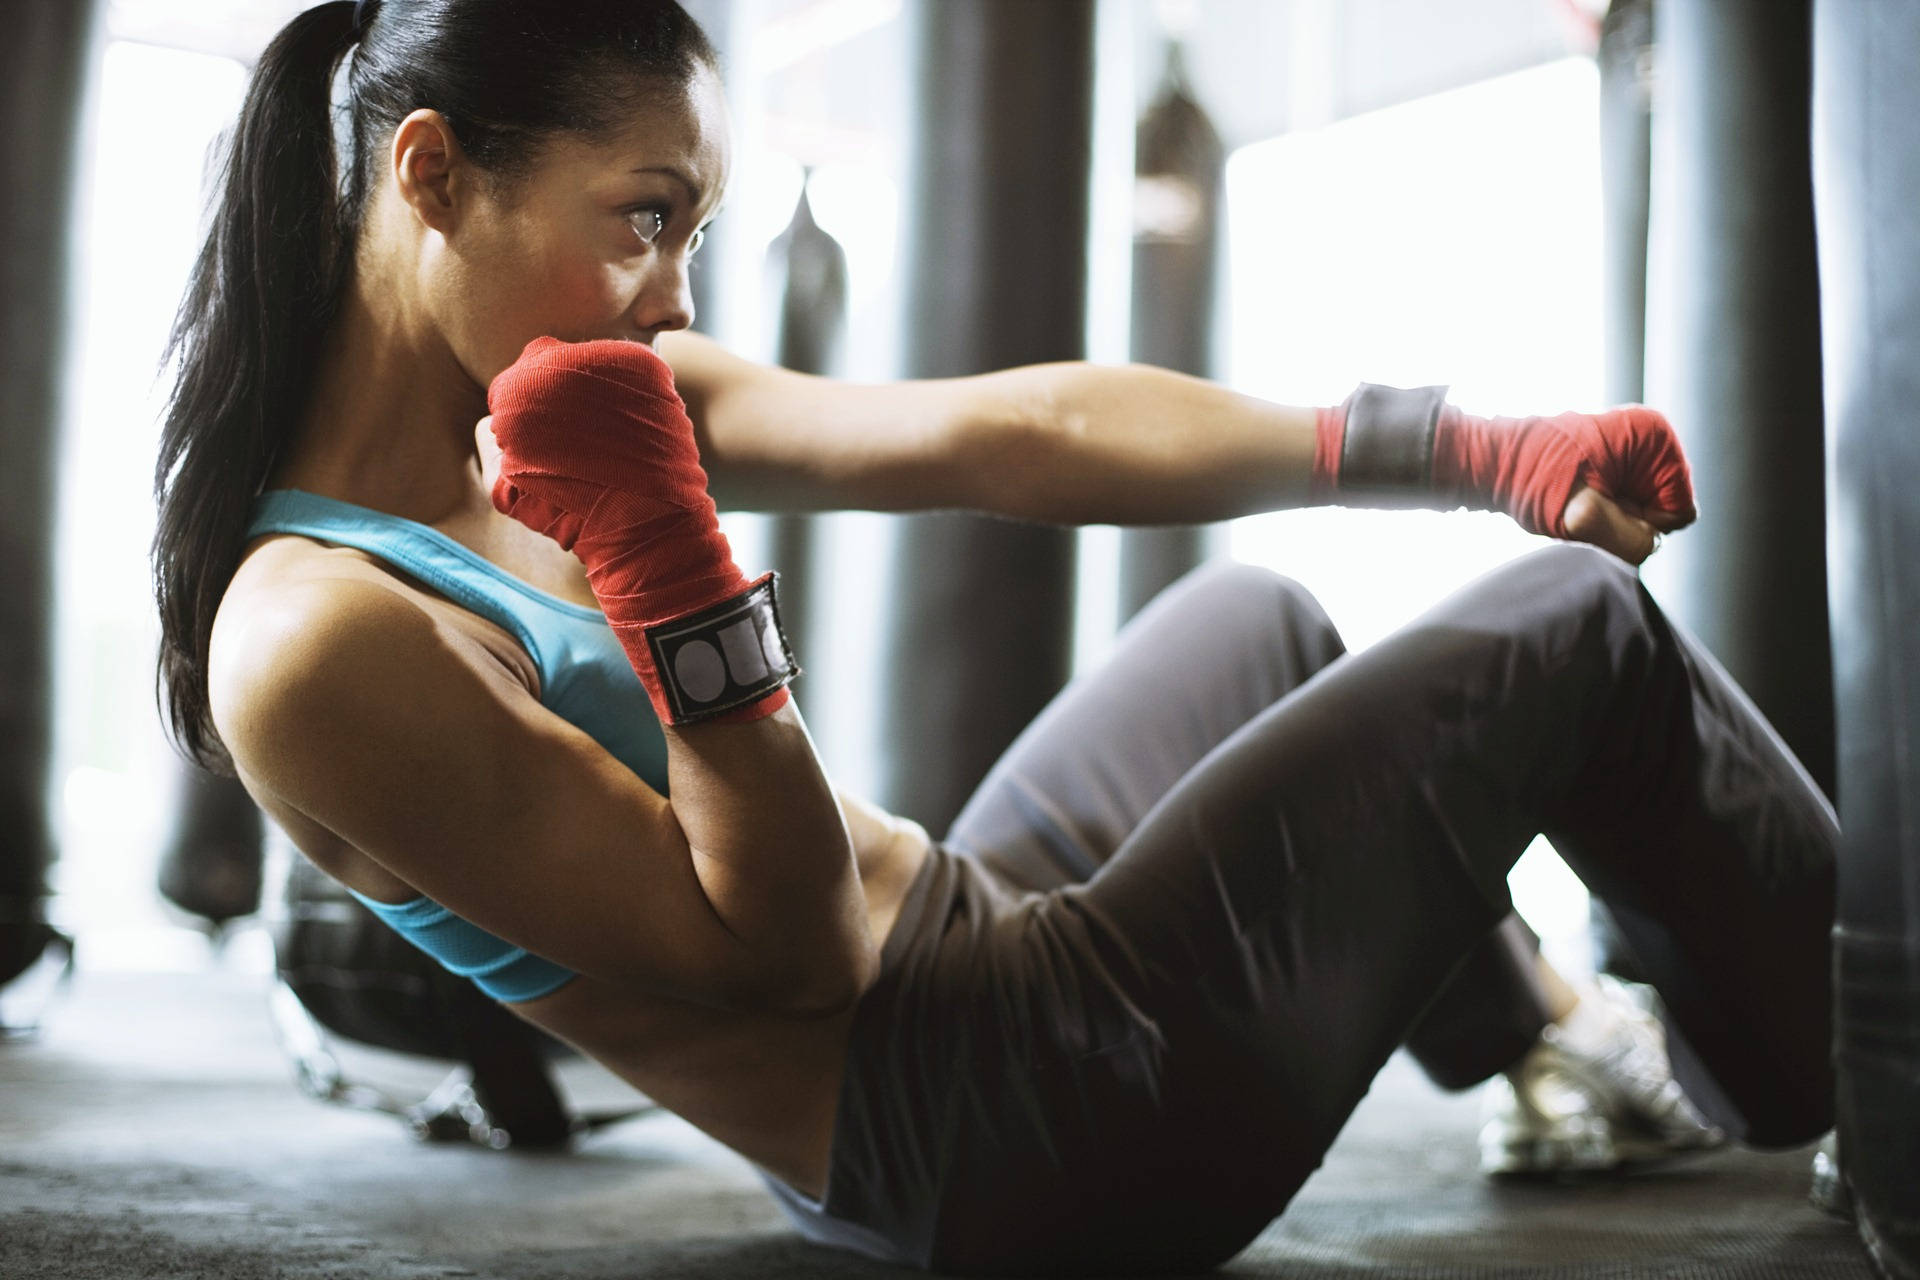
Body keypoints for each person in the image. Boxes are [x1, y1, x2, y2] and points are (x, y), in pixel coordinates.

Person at [152, 2, 1836, 1274]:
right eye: (646, 217)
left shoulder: (562, 396)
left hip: (976, 932)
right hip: (996, 1127)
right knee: (1577, 631)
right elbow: (795, 959)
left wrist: (1464, 450)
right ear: (431, 174)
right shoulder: (313, 639)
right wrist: (674, 563)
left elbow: (1006, 431)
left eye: (696, 232)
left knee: (1252, 622)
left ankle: (1546, 1055)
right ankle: (1878, 1073)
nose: (673, 295)